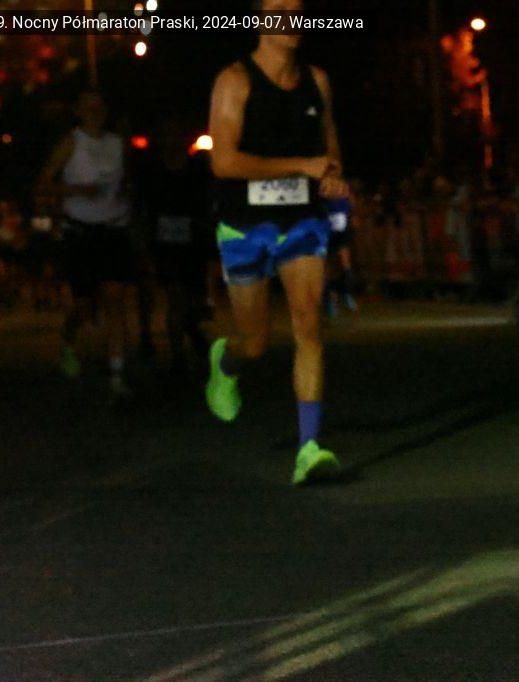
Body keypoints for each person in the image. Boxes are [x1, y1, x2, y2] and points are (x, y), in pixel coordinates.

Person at [207, 0, 350, 485]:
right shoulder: (235, 80)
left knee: (308, 325)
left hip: (302, 219)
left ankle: (309, 448)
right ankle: (226, 361)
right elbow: (223, 162)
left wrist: (331, 173)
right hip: (245, 224)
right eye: (277, 9)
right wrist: (301, 166)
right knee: (256, 341)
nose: (290, 18)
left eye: (297, 9)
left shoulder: (317, 81)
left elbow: (329, 144)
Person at [37, 90, 135, 397]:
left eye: (100, 107)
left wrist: (127, 191)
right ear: (78, 112)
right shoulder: (72, 142)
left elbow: (127, 179)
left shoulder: (117, 143)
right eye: (89, 107)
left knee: (115, 299)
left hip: (114, 229)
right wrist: (77, 190)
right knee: (84, 305)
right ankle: (68, 339)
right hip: (81, 232)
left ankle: (117, 376)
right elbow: (42, 184)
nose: (96, 112)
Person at [142, 120, 211, 375]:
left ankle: (191, 333)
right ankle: (178, 355)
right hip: (166, 245)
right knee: (175, 298)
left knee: (193, 301)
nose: (173, 141)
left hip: (193, 243)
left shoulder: (197, 169)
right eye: (169, 136)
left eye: (178, 136)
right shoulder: (153, 171)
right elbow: (145, 207)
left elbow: (207, 201)